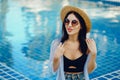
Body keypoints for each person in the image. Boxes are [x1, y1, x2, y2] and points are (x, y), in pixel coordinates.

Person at [49, 5, 97, 80]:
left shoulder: (88, 44)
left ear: (81, 26)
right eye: (67, 21)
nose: (69, 25)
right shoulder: (56, 44)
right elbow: (53, 70)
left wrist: (93, 54)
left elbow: (89, 71)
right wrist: (56, 57)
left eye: (74, 22)